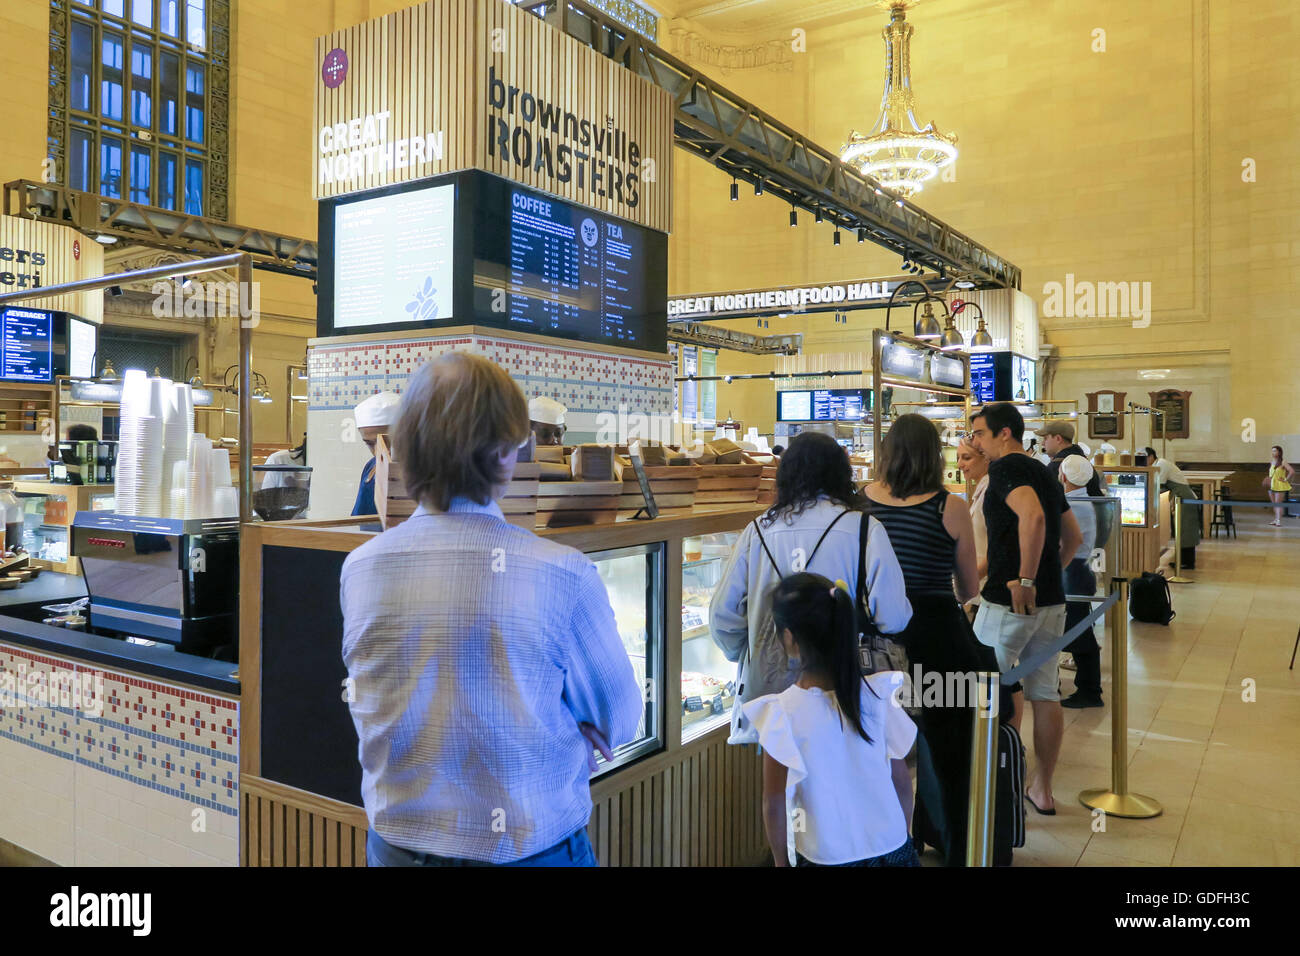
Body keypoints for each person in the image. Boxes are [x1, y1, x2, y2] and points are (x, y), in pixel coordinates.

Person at [341, 353, 643, 867]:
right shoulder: (561, 573)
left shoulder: (362, 568)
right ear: (507, 454)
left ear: (403, 451)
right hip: (528, 848)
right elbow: (619, 720)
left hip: (396, 848)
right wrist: (571, 721)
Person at [710, 431, 912, 745]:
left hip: (772, 691)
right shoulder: (864, 528)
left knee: (782, 778)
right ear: (840, 474)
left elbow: (723, 615)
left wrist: (750, 651)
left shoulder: (758, 530)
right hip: (846, 686)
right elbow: (894, 616)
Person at [865, 415, 991, 865]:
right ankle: (958, 844)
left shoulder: (861, 503)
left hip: (876, 640)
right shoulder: (949, 506)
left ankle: (892, 845)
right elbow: (967, 586)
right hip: (937, 635)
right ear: (933, 457)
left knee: (881, 744)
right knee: (949, 750)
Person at [747, 572, 918, 867]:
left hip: (826, 856)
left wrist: (780, 861)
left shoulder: (782, 714)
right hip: (893, 849)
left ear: (788, 637)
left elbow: (773, 802)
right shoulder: (877, 695)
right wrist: (901, 838)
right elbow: (901, 782)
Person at [969, 402, 1082, 816]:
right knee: (1044, 693)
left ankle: (986, 787)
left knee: (980, 690)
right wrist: (1048, 576)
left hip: (1009, 602)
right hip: (1051, 604)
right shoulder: (1043, 469)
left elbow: (1032, 518)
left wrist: (1026, 578)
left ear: (1003, 433)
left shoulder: (1006, 468)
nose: (976, 443)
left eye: (980, 434)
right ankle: (1042, 789)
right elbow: (1073, 538)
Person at [1059, 455, 1102, 709]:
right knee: (1077, 627)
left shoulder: (1071, 505)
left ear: (1063, 477)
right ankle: (1087, 686)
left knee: (1077, 631)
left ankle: (1089, 689)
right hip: (1081, 570)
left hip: (1073, 571)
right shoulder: (1086, 501)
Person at [1144, 446, 1200, 566]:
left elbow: (1159, 484)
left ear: (1150, 457)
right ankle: (1182, 561)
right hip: (1180, 498)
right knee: (1181, 530)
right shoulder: (1158, 464)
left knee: (1185, 530)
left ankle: (1187, 562)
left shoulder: (1161, 464)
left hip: (1184, 498)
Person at [351, 391, 401, 517]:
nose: (377, 451)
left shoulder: (418, 471)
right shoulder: (371, 466)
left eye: (386, 441)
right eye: (369, 443)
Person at [1263, 445, 1294, 526]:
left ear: (1279, 452)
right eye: (1272, 451)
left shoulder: (1283, 462)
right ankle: (1276, 519)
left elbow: (1291, 471)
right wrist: (1267, 479)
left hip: (1279, 485)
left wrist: (1285, 479)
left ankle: (1279, 520)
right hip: (1271, 485)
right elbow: (1271, 474)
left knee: (1278, 503)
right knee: (1274, 503)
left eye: (1275, 451)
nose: (1273, 452)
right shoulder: (1272, 461)